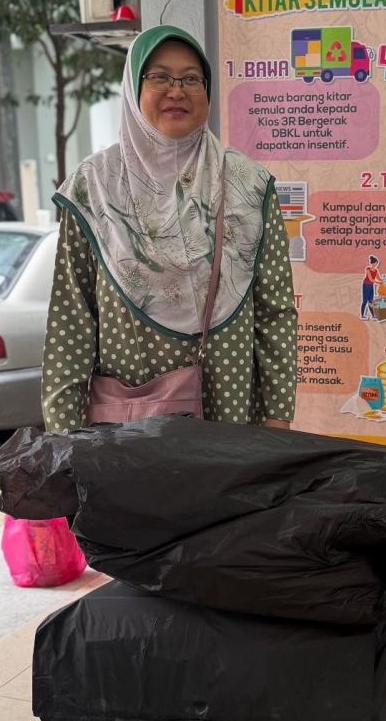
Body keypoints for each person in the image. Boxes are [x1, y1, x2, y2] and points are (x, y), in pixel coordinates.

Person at [42, 26, 297, 434]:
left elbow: (274, 311)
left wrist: (277, 418)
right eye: (159, 77)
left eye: (191, 79)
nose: (176, 91)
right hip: (128, 427)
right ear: (133, 87)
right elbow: (71, 320)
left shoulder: (248, 184)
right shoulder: (94, 187)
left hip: (228, 417)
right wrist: (63, 435)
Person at [361, 255, 383, 320]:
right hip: (366, 285)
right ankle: (362, 315)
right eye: (376, 263)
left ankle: (373, 315)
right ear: (373, 263)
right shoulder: (368, 269)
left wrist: (384, 281)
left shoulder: (376, 270)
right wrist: (379, 283)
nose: (376, 264)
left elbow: (379, 278)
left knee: (371, 301)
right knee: (365, 300)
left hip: (371, 286)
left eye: (377, 263)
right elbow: (371, 279)